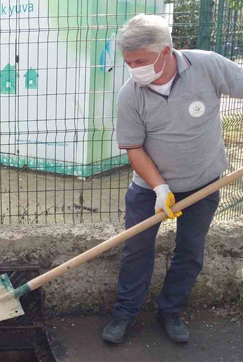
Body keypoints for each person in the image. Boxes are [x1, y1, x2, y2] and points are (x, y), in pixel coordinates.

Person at [102, 14, 243, 344]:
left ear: (166, 51)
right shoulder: (131, 94)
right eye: (128, 62)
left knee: (190, 251)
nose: (135, 68)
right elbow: (134, 149)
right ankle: (125, 313)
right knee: (136, 249)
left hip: (204, 183)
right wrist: (160, 188)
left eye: (141, 61)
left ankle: (171, 312)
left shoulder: (206, 66)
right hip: (148, 189)